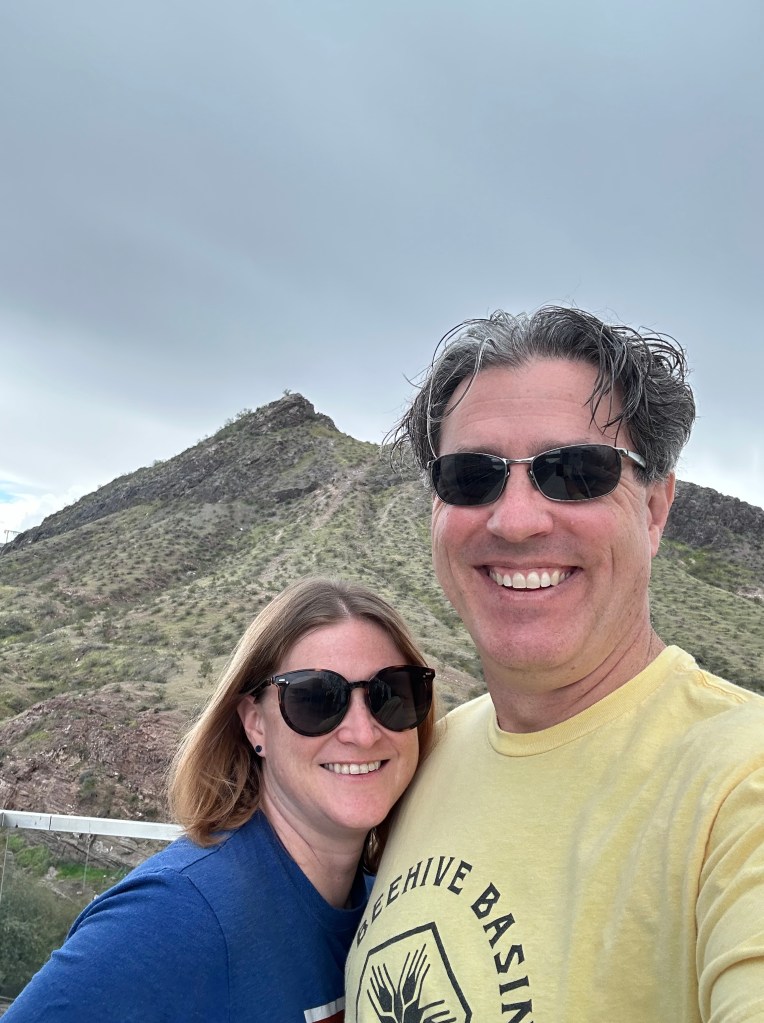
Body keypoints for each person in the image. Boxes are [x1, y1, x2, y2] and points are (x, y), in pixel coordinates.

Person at [345, 307, 764, 1022]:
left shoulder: (738, 781)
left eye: (573, 472)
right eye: (471, 476)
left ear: (656, 508)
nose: (516, 520)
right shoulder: (418, 755)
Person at [5, 577, 435, 1022]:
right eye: (316, 699)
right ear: (255, 724)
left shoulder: (388, 904)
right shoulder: (173, 916)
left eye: (392, 694)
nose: (363, 734)